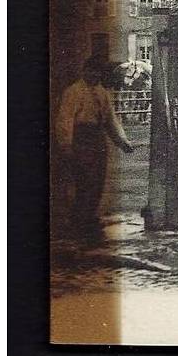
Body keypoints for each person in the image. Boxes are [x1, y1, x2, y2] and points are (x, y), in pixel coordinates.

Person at [54, 56, 135, 244]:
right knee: (84, 180)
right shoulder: (73, 92)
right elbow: (65, 119)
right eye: (91, 70)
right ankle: (79, 221)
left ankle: (89, 217)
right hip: (80, 139)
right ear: (84, 71)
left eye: (97, 71)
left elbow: (110, 120)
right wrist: (65, 144)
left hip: (98, 139)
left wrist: (122, 142)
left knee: (98, 180)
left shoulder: (102, 92)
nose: (94, 74)